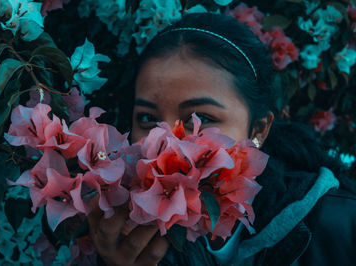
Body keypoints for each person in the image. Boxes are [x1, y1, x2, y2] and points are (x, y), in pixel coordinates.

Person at [87, 13, 356, 266]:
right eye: (146, 119)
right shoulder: (125, 226)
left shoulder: (341, 226)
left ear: (259, 130)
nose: (166, 143)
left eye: (201, 118)